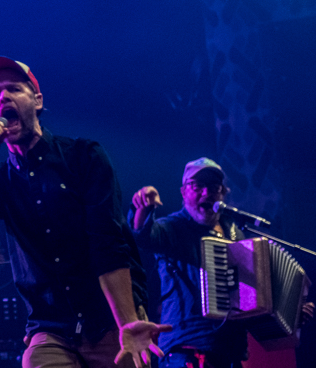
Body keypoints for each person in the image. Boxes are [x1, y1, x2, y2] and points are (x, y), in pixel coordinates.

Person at [0, 56, 170, 368]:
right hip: (50, 327)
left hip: (108, 317)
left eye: (14, 89)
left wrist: (127, 323)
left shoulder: (83, 157)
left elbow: (107, 245)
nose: (3, 97)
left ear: (37, 101)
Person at [129, 157, 314, 368]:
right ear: (183, 192)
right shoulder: (172, 227)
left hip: (230, 352)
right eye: (197, 186)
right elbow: (143, 237)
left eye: (214, 187)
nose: (206, 192)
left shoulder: (236, 235)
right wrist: (143, 209)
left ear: (223, 193)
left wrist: (291, 314)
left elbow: (251, 303)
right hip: (187, 348)